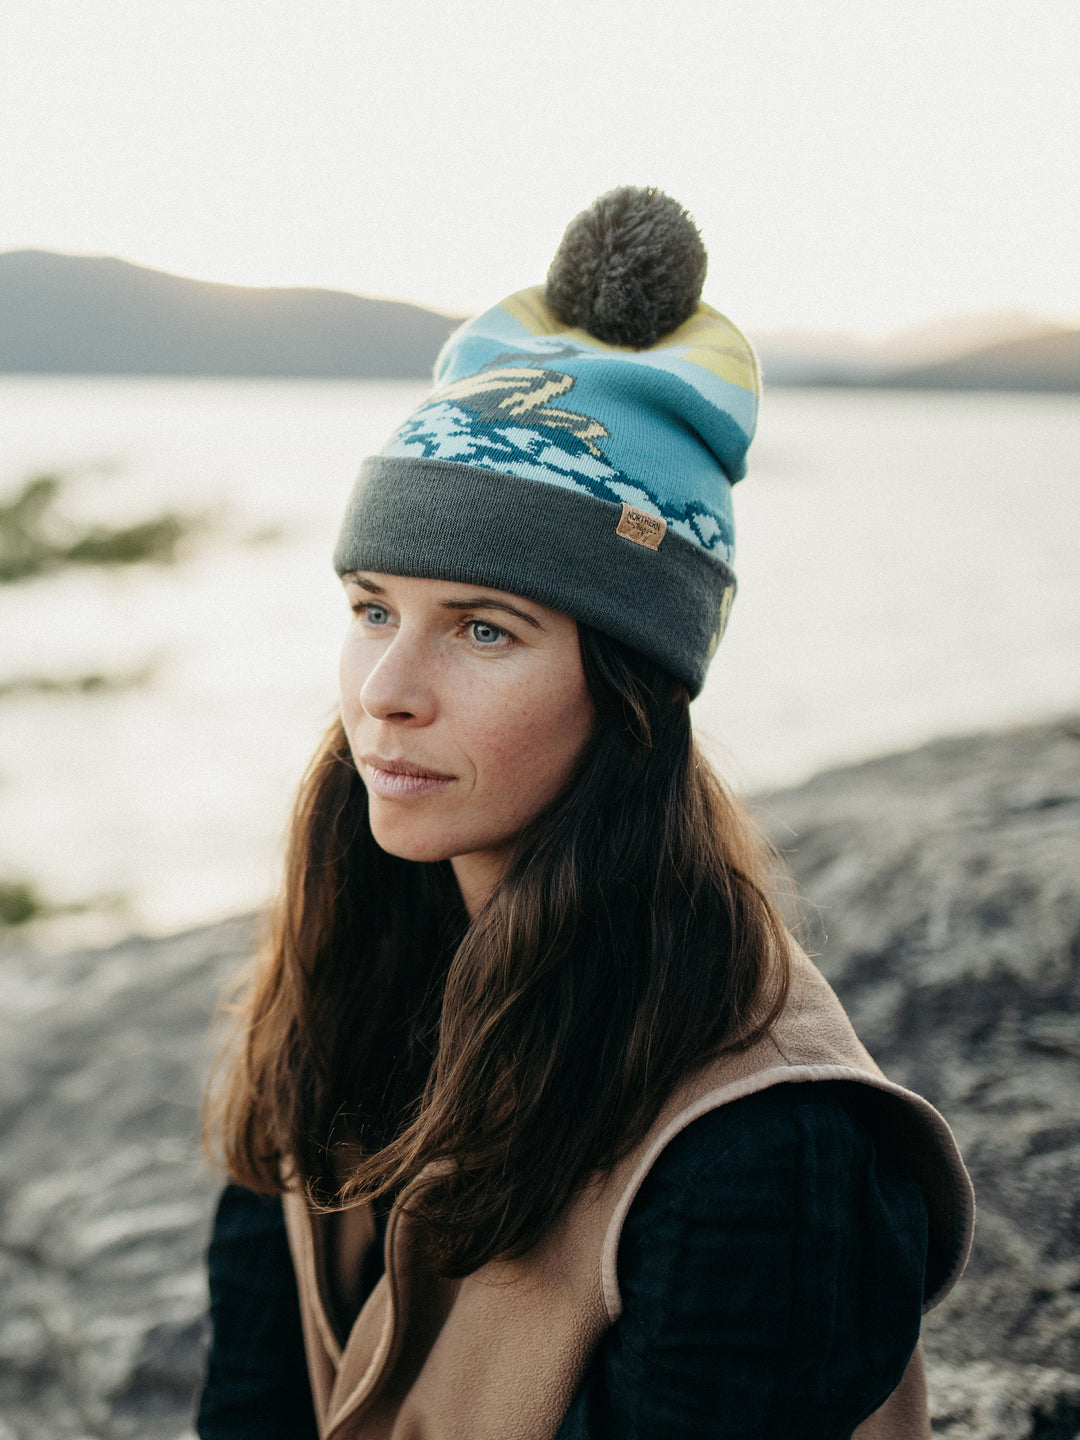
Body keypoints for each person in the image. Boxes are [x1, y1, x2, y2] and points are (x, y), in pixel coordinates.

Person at [197, 187, 974, 1440]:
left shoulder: (760, 1154)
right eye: (372, 608)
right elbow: (253, 1405)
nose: (385, 695)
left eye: (485, 629)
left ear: (629, 692)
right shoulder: (341, 975)